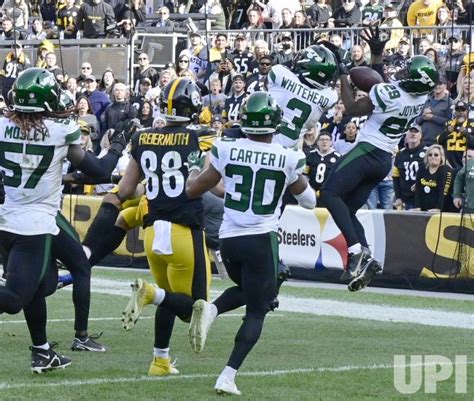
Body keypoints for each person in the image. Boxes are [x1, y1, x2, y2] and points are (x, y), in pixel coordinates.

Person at [0, 68, 133, 371]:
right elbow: (99, 171)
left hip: (6, 220)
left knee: (36, 287)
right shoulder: (61, 131)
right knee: (13, 299)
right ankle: (61, 344)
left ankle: (42, 351)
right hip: (33, 225)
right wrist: (117, 145)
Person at [185, 92, 316, 395]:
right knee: (259, 307)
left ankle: (213, 310)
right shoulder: (288, 156)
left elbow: (197, 189)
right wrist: (291, 176)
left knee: (248, 289)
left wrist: (195, 168)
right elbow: (309, 201)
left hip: (229, 241)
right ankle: (227, 375)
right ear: (274, 123)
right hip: (260, 238)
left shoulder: (226, 148)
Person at [319, 28, 440, 292]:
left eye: (409, 73)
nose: (404, 74)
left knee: (328, 194)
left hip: (367, 151)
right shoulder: (420, 98)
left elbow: (351, 108)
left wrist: (343, 71)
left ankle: (355, 251)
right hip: (384, 159)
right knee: (347, 210)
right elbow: (384, 85)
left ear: (415, 81)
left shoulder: (393, 95)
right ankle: (367, 258)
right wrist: (376, 54)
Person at [119, 78, 211, 377]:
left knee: (169, 296)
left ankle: (160, 361)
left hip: (152, 230)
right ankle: (149, 294)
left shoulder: (143, 138)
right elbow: (214, 186)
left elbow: (128, 188)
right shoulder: (200, 138)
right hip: (184, 229)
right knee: (195, 306)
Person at [267, 44, 338, 147]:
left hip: (265, 140)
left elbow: (267, 82)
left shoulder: (280, 73)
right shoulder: (329, 97)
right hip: (290, 149)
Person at [393, 124, 427, 210]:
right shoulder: (400, 154)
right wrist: (398, 197)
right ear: (406, 135)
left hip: (424, 198)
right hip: (406, 200)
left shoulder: (428, 152)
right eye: (410, 131)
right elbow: (396, 177)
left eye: (416, 132)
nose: (413, 134)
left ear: (421, 135)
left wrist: (420, 183)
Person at [413, 144, 456, 212]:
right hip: (425, 209)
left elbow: (444, 192)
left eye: (436, 155)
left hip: (444, 210)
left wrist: (438, 208)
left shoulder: (447, 171)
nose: (433, 157)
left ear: (441, 157)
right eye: (430, 155)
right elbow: (418, 190)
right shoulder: (421, 169)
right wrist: (418, 206)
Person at [305, 130, 341, 206]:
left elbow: (340, 177)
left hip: (329, 192)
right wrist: (308, 190)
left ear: (331, 142)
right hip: (312, 192)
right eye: (322, 140)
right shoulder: (311, 155)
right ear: (317, 142)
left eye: (327, 140)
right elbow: (305, 175)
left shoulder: (337, 157)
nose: (324, 142)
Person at [453, 147, 474, 214]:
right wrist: (457, 195)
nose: (466, 158)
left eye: (469, 156)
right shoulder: (470, 163)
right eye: (464, 156)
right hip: (469, 208)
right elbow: (459, 179)